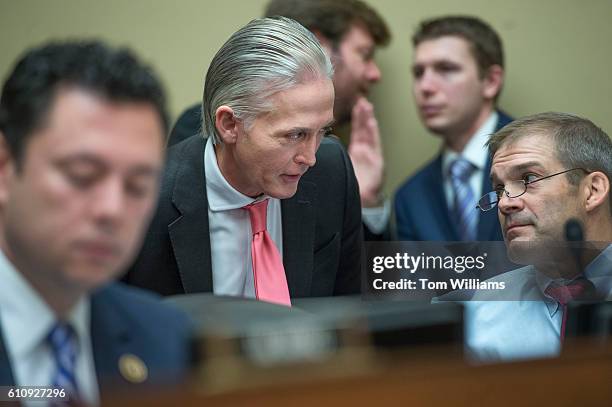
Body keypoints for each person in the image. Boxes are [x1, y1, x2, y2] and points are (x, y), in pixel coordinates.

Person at [0, 41, 192, 404]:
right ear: (6, 168)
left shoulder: (162, 338)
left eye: (138, 186)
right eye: (82, 176)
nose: (111, 209)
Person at [126, 17, 363, 304]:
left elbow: (351, 310)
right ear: (229, 124)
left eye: (321, 132)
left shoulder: (332, 172)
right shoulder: (145, 199)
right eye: (295, 135)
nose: (310, 157)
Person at [169, 0, 392, 240]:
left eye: (322, 132)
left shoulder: (331, 163)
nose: (375, 73)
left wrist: (366, 200)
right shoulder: (194, 140)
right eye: (365, 54)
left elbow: (356, 272)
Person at [463, 112, 612, 361]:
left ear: (592, 191)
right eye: (499, 189)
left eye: (528, 178)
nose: (504, 204)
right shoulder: (480, 311)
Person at [395, 16, 511, 241]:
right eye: (419, 73)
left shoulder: (546, 163)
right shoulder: (410, 196)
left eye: (446, 69)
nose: (425, 87)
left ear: (490, 81)